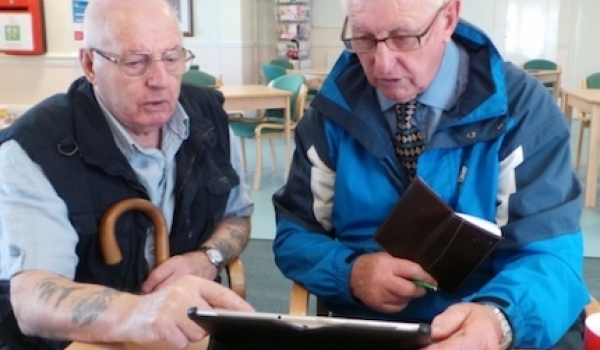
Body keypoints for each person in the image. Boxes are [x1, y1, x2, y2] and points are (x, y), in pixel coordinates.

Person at [272, 0, 589, 349]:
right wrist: (351, 273)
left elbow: (551, 254)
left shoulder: (521, 109)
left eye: (403, 37)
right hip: (375, 325)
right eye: (363, 38)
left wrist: (498, 321)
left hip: (494, 320)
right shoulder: (331, 112)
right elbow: (295, 234)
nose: (383, 64)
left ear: (448, 18)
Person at [0, 0, 254, 349]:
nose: (160, 80)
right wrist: (143, 312)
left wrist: (208, 258)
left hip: (183, 333)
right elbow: (32, 300)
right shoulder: (35, 147)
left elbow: (236, 217)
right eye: (135, 62)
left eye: (171, 57)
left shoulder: (208, 118)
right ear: (90, 64)